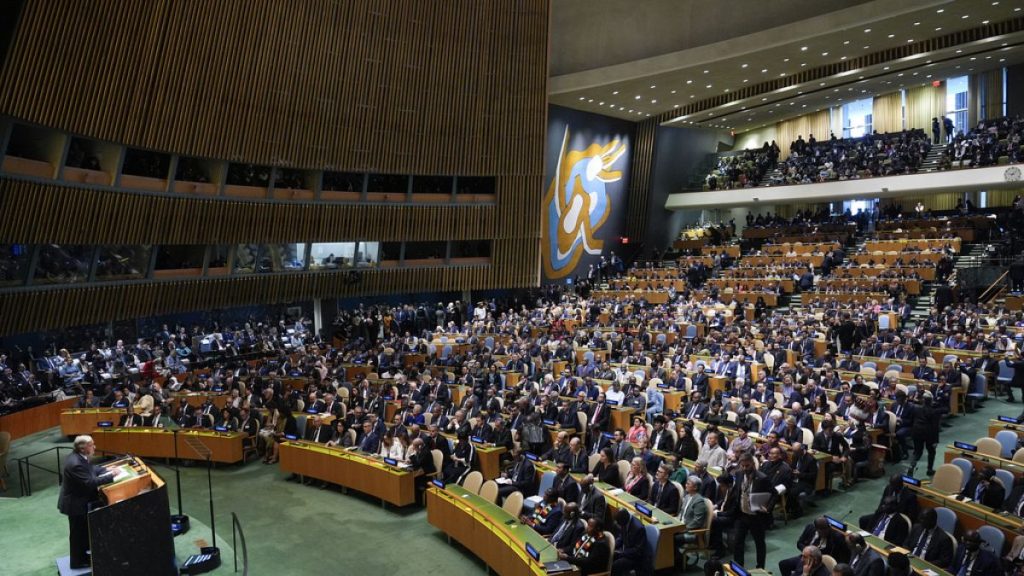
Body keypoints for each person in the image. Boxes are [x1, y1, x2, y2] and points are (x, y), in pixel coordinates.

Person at [58, 435, 117, 569]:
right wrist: (111, 476)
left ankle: (83, 557)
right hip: (75, 504)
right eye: (91, 445)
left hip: (80, 501)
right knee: (77, 535)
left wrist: (106, 469)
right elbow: (89, 483)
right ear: (83, 448)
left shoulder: (80, 457)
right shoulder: (76, 463)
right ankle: (77, 562)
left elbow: (91, 470)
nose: (94, 447)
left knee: (83, 532)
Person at [733, 453, 772, 568]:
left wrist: (768, 507)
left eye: (747, 466)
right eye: (743, 466)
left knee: (759, 544)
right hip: (742, 514)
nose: (745, 468)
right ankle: (739, 567)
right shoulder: (739, 474)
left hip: (757, 517)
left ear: (753, 464)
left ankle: (760, 567)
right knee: (737, 543)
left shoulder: (762, 478)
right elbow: (737, 492)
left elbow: (773, 493)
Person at [779, 517, 850, 575]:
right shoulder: (810, 528)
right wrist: (807, 550)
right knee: (783, 564)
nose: (825, 531)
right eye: (821, 530)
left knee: (800, 571)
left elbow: (844, 555)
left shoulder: (836, 537)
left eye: (826, 528)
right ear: (816, 529)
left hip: (819, 560)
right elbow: (799, 543)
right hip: (806, 556)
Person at [909, 392, 940, 476]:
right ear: (931, 401)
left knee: (917, 452)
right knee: (931, 451)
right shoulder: (934, 411)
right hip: (928, 433)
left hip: (916, 431)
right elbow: (935, 427)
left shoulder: (916, 408)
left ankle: (912, 466)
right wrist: (936, 441)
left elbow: (912, 421)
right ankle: (929, 470)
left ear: (923, 400)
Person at [611, 508, 647, 576]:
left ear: (624, 520)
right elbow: (621, 537)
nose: (618, 524)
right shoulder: (624, 521)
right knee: (610, 557)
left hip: (635, 558)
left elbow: (638, 551)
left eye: (619, 522)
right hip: (626, 551)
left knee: (616, 565)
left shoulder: (638, 528)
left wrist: (621, 553)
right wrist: (613, 546)